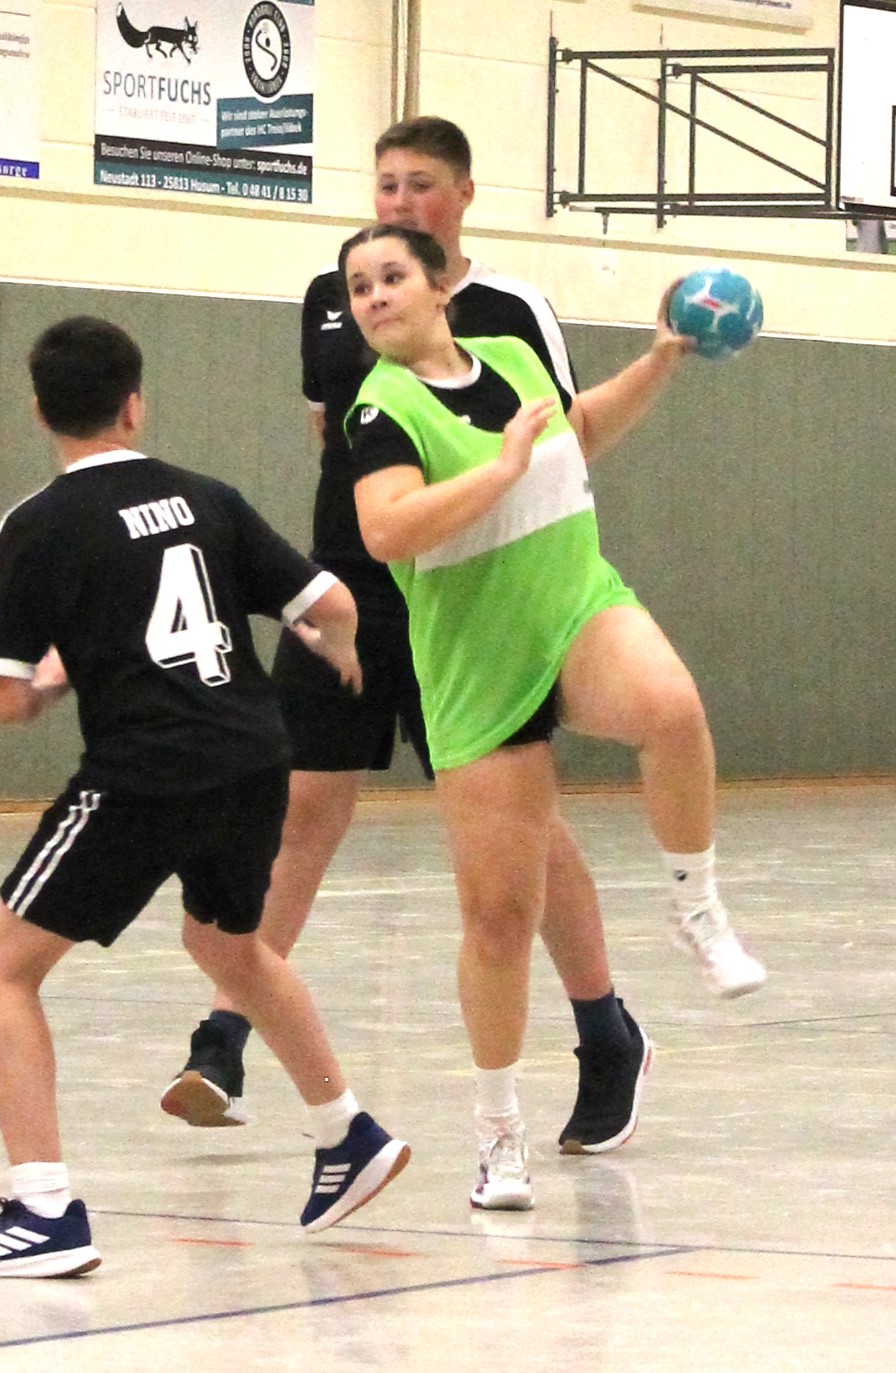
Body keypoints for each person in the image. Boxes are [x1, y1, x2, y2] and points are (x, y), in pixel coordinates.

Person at [165, 115, 700, 1165]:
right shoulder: (332, 297)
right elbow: (338, 434)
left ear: (460, 196)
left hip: (475, 599)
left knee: (528, 834)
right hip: (351, 585)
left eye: (418, 184)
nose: (398, 201)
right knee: (299, 810)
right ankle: (226, 1037)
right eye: (385, 184)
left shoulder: (509, 313)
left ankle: (605, 1030)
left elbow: (563, 446)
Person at [0, 316, 410, 1277]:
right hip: (255, 755)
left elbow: (2, 701)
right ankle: (346, 1131)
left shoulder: (36, 524)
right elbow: (333, 603)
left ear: (39, 411)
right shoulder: (206, 498)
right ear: (135, 405)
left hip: (148, 771)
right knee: (230, 945)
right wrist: (345, 653)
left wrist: (57, 675)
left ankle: (43, 1212)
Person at [335, 224, 766, 1211]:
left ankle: (697, 907)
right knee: (499, 919)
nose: (375, 296)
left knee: (672, 708)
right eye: (359, 287)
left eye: (391, 276)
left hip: (574, 604)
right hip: (476, 664)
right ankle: (498, 1134)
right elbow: (386, 528)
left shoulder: (513, 355)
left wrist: (657, 361)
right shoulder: (381, 408)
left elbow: (579, 430)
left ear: (438, 288)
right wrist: (499, 469)